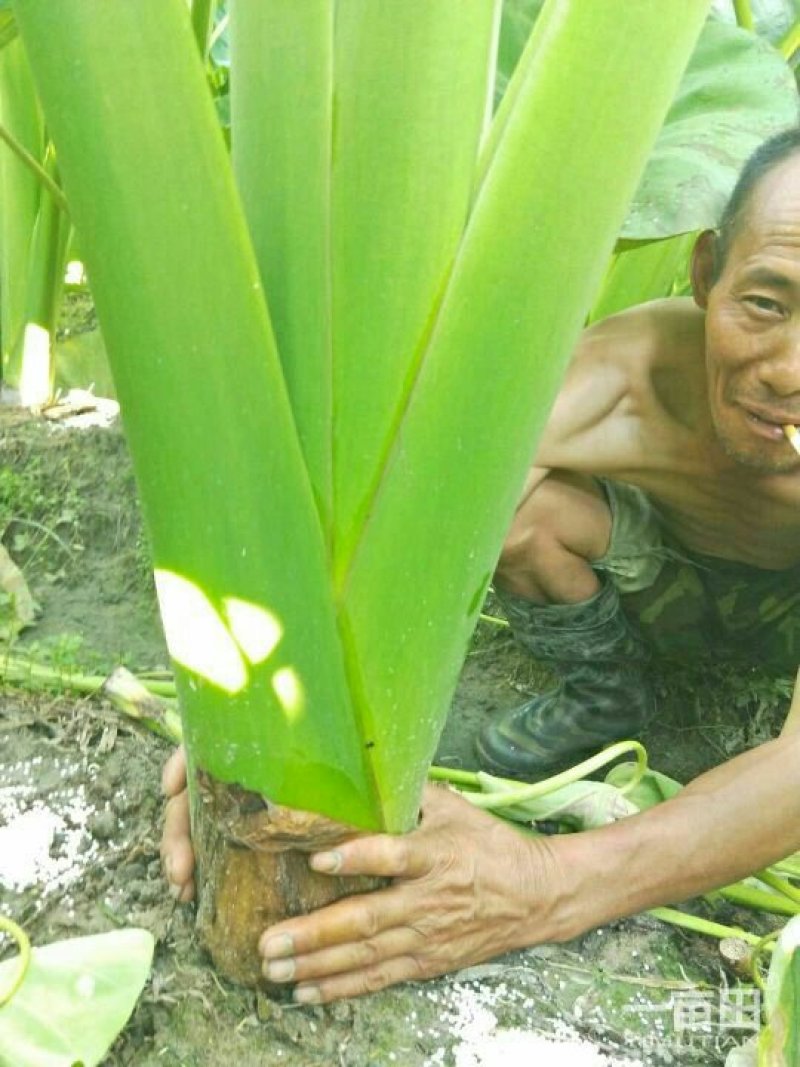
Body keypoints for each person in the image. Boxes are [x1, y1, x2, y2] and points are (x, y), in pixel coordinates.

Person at [161, 127, 800, 1005]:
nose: (790, 370)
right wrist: (243, 711)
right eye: (766, 303)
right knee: (515, 507)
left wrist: (544, 883)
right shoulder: (628, 377)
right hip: (671, 579)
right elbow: (397, 511)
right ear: (704, 275)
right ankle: (608, 693)